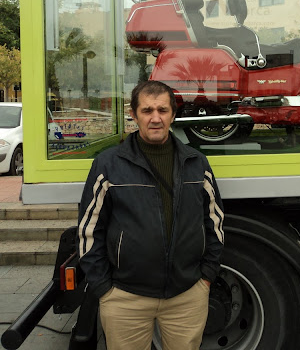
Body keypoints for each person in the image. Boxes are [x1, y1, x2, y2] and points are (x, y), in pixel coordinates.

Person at [77, 80, 224, 350]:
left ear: (173, 115)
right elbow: (89, 230)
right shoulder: (108, 164)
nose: (155, 118)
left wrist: (206, 277)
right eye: (147, 111)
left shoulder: (196, 162)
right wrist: (103, 288)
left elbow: (214, 221)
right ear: (133, 115)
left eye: (162, 110)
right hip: (125, 297)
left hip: (187, 295)